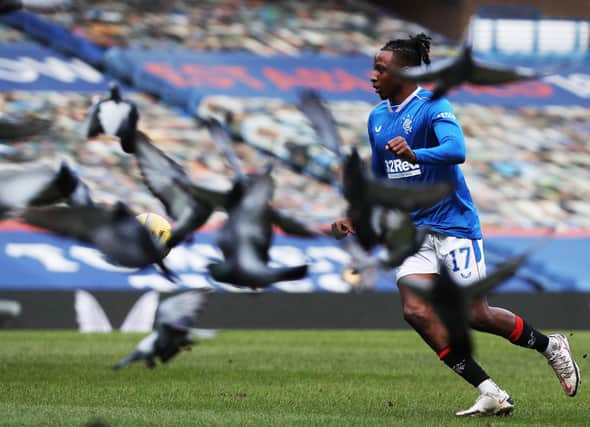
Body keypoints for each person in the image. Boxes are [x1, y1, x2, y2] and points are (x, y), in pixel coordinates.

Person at [332, 33, 581, 417]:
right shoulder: (377, 118)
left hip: (453, 225)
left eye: (380, 68)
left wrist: (417, 152)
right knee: (415, 312)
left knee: (474, 315)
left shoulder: (433, 106)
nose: (372, 76)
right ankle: (490, 391)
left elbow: (456, 150)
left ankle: (551, 346)